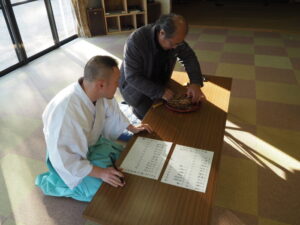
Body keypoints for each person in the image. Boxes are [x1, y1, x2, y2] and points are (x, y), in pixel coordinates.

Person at [35, 55, 152, 202]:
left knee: (124, 161)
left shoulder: (94, 91)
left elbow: (112, 109)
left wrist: (131, 127)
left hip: (90, 143)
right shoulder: (66, 112)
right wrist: (101, 173)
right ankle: (54, 182)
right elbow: (65, 158)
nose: (119, 85)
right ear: (101, 85)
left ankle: (98, 164)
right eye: (116, 82)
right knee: (105, 191)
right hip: (66, 157)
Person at [119, 13, 206, 119]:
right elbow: (132, 77)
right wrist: (160, 92)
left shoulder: (174, 40)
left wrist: (195, 82)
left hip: (159, 81)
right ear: (162, 32)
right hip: (135, 89)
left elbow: (189, 56)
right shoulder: (136, 41)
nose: (176, 47)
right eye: (173, 44)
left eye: (178, 44)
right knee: (154, 119)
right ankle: (133, 109)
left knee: (178, 112)